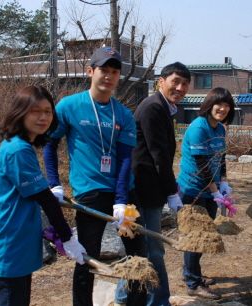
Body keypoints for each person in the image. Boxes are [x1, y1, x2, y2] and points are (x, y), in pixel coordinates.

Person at [43, 47, 148, 306]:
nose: (109, 76)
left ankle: (135, 302)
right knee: (87, 257)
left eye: (115, 72)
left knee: (138, 256)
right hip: (90, 193)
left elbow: (125, 158)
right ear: (90, 71)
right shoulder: (69, 106)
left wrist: (122, 199)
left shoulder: (122, 113)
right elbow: (49, 144)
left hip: (124, 193)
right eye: (104, 70)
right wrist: (54, 184)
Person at [0, 86, 86, 306]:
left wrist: (9, 198)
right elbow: (45, 200)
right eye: (35, 111)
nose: (43, 117)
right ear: (20, 112)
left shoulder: (13, 144)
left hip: (12, 239)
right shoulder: (19, 149)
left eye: (48, 111)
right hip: (10, 244)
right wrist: (68, 238)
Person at [115, 62, 191, 306]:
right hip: (143, 189)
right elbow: (158, 154)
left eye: (184, 84)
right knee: (152, 247)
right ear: (161, 81)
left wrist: (169, 190)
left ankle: (123, 296)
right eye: (175, 81)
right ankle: (159, 301)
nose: (179, 87)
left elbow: (163, 154)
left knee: (141, 246)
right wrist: (172, 193)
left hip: (151, 188)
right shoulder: (153, 107)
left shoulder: (166, 108)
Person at [177, 87, 235, 300]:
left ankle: (190, 273)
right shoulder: (198, 128)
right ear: (210, 104)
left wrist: (224, 183)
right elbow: (202, 165)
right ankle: (193, 284)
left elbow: (220, 157)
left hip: (210, 190)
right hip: (193, 190)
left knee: (205, 233)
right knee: (196, 236)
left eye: (227, 105)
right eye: (219, 104)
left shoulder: (219, 128)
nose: (223, 108)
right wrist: (215, 191)